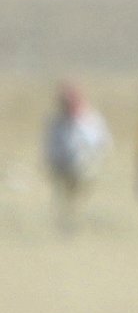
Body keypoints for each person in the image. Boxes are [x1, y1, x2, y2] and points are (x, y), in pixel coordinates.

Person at [44, 84, 111, 233]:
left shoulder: (90, 120)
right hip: (62, 167)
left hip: (85, 167)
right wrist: (51, 162)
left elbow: (102, 142)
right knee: (65, 198)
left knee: (80, 196)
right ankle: (66, 225)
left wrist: (94, 158)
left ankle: (80, 224)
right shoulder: (56, 122)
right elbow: (50, 145)